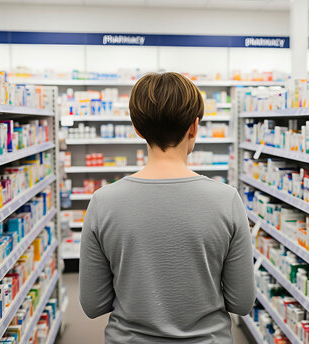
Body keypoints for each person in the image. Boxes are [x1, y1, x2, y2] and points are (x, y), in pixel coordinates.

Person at [79, 72, 256, 344]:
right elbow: (241, 302)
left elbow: (93, 305)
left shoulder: (103, 201)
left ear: (137, 129)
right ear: (194, 127)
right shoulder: (226, 199)